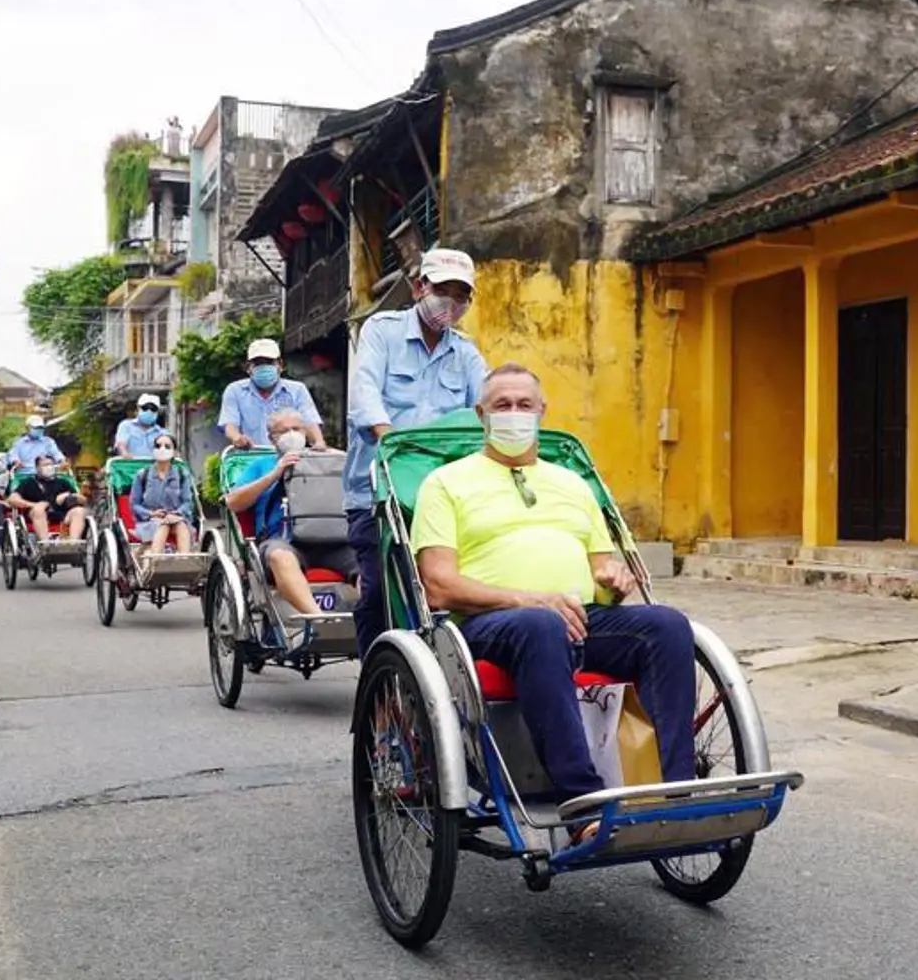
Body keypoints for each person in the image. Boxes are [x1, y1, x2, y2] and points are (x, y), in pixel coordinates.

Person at [411, 364, 695, 829]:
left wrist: (614, 578)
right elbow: (439, 586)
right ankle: (583, 802)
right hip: (490, 623)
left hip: (579, 615)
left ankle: (676, 791)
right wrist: (528, 600)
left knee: (666, 624)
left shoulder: (573, 485)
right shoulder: (446, 484)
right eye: (502, 405)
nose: (514, 414)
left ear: (543, 412)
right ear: (481, 414)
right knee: (542, 626)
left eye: (525, 405)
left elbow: (600, 570)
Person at [343, 247, 488, 659]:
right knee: (377, 593)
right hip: (378, 491)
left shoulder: (465, 352)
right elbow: (365, 393)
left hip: (441, 495)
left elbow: (488, 403)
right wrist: (389, 438)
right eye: (443, 290)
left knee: (447, 589)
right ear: (419, 287)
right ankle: (376, 682)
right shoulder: (382, 331)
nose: (451, 303)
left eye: (461, 295)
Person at [224, 409, 352, 645]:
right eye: (284, 431)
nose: (292, 434)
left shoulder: (325, 461)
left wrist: (331, 457)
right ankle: (320, 623)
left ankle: (362, 622)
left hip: (332, 540)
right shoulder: (262, 465)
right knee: (280, 557)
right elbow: (233, 502)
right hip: (282, 540)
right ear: (272, 437)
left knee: (369, 560)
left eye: (297, 429)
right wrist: (276, 473)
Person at [219, 338, 324, 450]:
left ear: (280, 365)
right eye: (258, 363)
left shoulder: (297, 390)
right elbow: (229, 423)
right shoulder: (235, 390)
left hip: (288, 456)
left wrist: (319, 442)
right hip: (249, 456)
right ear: (248, 367)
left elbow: (309, 420)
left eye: (269, 362)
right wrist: (237, 438)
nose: (263, 367)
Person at [130, 435, 195, 557]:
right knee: (163, 524)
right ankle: (154, 560)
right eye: (158, 446)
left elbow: (188, 502)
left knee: (181, 524)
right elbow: (134, 505)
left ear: (174, 451)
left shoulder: (182, 474)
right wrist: (151, 514)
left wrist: (176, 513)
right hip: (150, 521)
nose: (162, 449)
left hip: (176, 519)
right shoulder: (143, 474)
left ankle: (184, 560)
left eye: (167, 446)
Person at [10, 454, 88, 541]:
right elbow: (12, 499)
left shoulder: (63, 482)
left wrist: (69, 495)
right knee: (39, 509)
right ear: (37, 468)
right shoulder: (28, 483)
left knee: (79, 511)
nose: (49, 467)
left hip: (62, 517)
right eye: (45, 465)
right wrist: (34, 505)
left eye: (51, 464)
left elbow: (84, 500)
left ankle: (73, 543)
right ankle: (45, 544)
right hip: (37, 517)